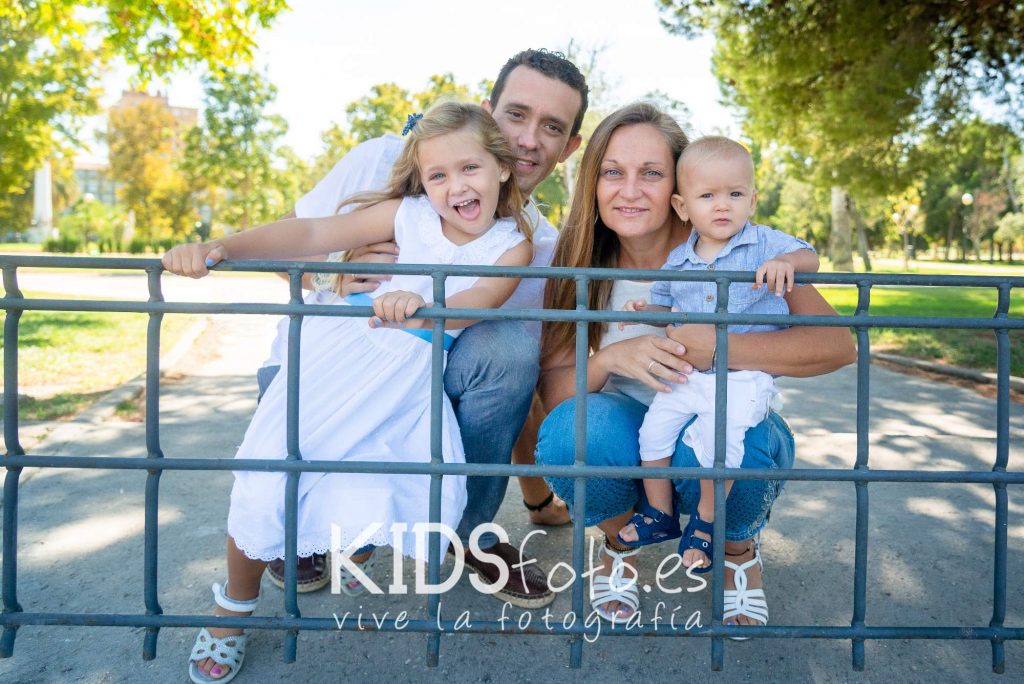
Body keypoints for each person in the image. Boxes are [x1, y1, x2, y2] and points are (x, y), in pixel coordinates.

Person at [165, 101, 534, 684]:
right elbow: (313, 231)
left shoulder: (512, 246)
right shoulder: (406, 215)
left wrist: (425, 305)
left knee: (370, 483)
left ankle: (346, 552)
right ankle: (231, 609)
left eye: (470, 169)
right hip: (334, 351)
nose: (455, 186)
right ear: (422, 181)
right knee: (267, 477)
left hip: (404, 372)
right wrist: (224, 248)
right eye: (437, 175)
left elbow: (482, 301)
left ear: (503, 169)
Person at [260, 48, 587, 604]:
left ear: (570, 147)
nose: (529, 138)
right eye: (516, 113)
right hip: (329, 363)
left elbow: (517, 389)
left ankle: (469, 533)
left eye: (551, 127)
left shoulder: (535, 245)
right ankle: (314, 515)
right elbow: (292, 242)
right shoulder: (386, 157)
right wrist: (332, 277)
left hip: (428, 377)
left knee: (506, 346)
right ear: (487, 109)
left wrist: (538, 499)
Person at [535, 103, 855, 632]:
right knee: (575, 433)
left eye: (651, 173)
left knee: (738, 442)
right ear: (593, 182)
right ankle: (619, 543)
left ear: (681, 191)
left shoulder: (738, 253)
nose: (630, 190)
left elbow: (838, 346)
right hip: (631, 432)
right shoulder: (578, 271)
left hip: (726, 415)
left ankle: (736, 552)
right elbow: (557, 399)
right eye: (613, 172)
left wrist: (722, 349)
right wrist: (612, 358)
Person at [613, 136, 820, 583]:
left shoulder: (764, 244)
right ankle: (659, 512)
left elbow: (811, 255)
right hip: (693, 374)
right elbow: (672, 312)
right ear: (683, 206)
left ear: (752, 199)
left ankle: (706, 522)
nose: (722, 205)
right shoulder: (678, 262)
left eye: (735, 194)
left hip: (745, 377)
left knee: (718, 443)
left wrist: (788, 261)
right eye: (707, 196)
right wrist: (650, 315)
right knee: (655, 431)